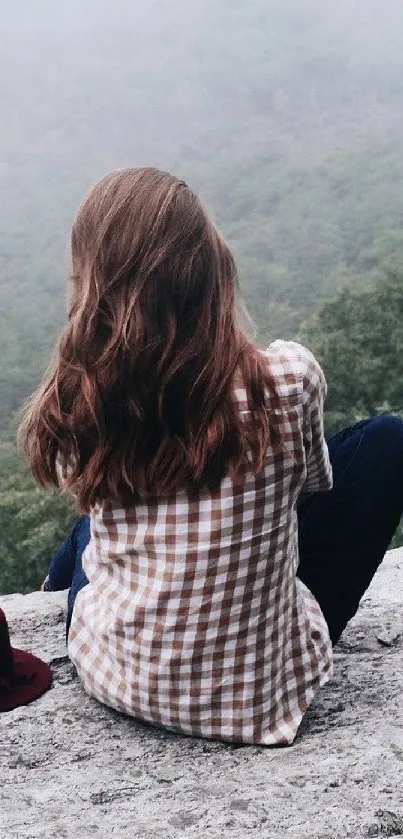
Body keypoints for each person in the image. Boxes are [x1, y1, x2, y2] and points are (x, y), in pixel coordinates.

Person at [19, 168, 403, 746]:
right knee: (386, 442)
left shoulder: (85, 400)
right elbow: (305, 490)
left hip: (115, 676)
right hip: (260, 699)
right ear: (211, 271)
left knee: (85, 531)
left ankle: (54, 589)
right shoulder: (288, 379)